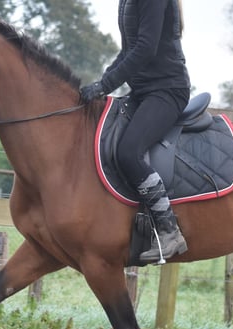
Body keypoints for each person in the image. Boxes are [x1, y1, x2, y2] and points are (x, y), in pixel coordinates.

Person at [80, 0, 190, 263]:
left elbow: (145, 49)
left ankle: (168, 230)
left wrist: (106, 84)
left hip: (167, 90)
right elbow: (128, 50)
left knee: (129, 152)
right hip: (143, 91)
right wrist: (102, 81)